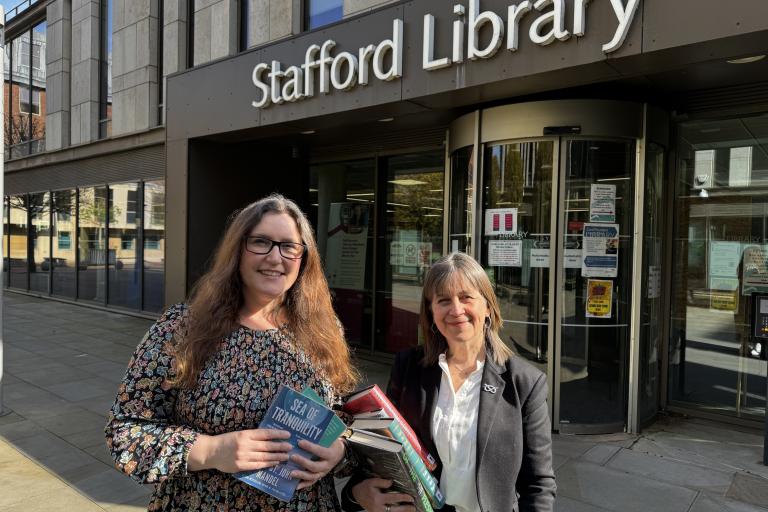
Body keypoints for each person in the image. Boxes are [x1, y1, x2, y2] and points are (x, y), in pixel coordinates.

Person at [106, 194, 359, 511]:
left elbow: (341, 412)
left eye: (288, 246)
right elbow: (125, 432)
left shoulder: (322, 329)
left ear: (303, 258)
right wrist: (210, 450)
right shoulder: (181, 328)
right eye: (261, 242)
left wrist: (338, 450)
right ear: (238, 250)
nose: (274, 257)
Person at [343, 252, 556, 512]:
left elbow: (539, 485)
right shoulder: (409, 367)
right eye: (443, 300)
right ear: (431, 312)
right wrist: (356, 493)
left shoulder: (524, 382)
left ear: (487, 306)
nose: (456, 310)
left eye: (466, 297)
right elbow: (387, 449)